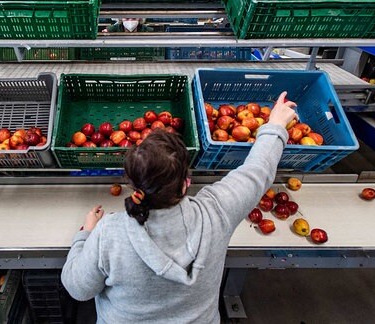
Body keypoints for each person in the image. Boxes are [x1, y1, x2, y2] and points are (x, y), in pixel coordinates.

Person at [61, 92, 297, 323]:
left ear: (134, 188)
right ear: (186, 183)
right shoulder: (216, 212)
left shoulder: (109, 234)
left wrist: (84, 236)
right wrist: (276, 124)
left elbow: (78, 288)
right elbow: (257, 172)